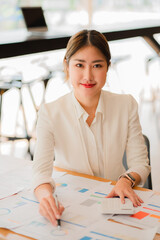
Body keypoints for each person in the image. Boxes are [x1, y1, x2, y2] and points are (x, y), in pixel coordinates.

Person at [33, 29, 151, 226]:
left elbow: (141, 164)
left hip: (116, 203)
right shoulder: (50, 113)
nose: (87, 76)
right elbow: (40, 173)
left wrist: (125, 180)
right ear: (67, 66)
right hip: (73, 206)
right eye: (79, 65)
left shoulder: (126, 104)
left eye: (97, 65)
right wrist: (46, 197)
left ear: (107, 67)